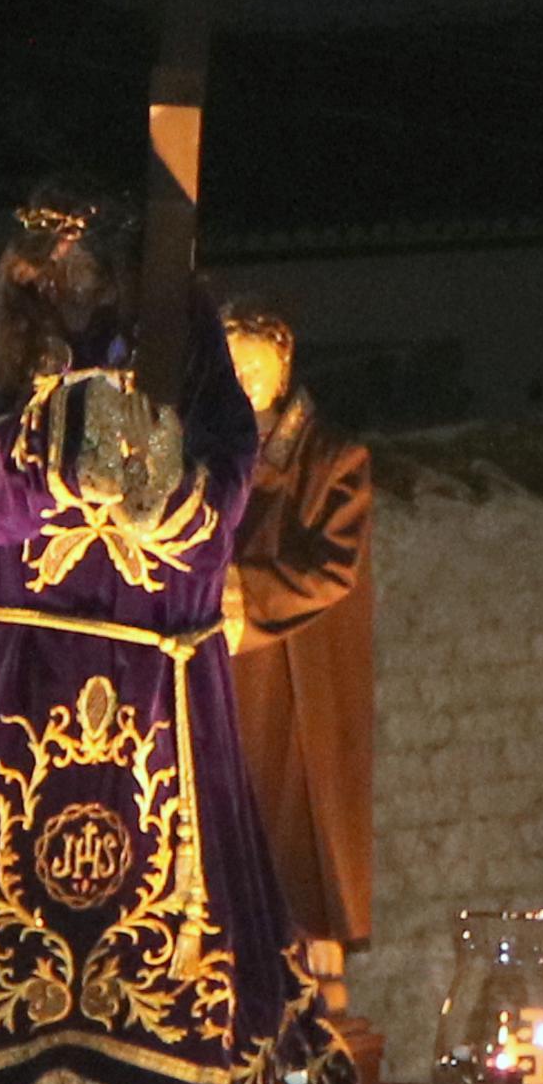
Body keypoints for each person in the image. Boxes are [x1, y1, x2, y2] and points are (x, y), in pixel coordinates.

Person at [0, 180, 337, 1084]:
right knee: (18, 871)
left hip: (158, 673)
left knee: (170, 868)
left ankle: (188, 1063)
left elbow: (223, 484)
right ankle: (6, 1065)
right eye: (47, 263)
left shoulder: (180, 337)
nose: (66, 279)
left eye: (85, 260)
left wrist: (151, 486)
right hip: (29, 672)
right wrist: (60, 461)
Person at [219, 302, 374, 1017]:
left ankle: (311, 981)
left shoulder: (331, 459)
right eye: (229, 369)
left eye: (255, 370)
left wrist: (242, 597)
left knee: (292, 819)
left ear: (281, 374)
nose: (243, 384)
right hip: (217, 674)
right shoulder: (201, 456)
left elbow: (332, 566)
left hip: (289, 670)